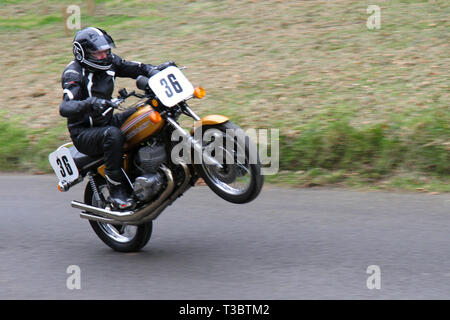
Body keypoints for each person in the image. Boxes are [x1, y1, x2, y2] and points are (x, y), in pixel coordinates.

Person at [59, 27, 171, 210]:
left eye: (106, 50)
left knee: (150, 111)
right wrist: (90, 103)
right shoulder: (74, 74)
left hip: (107, 121)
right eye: (98, 53)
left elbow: (137, 68)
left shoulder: (110, 62)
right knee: (113, 134)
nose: (105, 56)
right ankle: (116, 188)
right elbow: (65, 107)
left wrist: (155, 70)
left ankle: (156, 164)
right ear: (83, 53)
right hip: (85, 133)